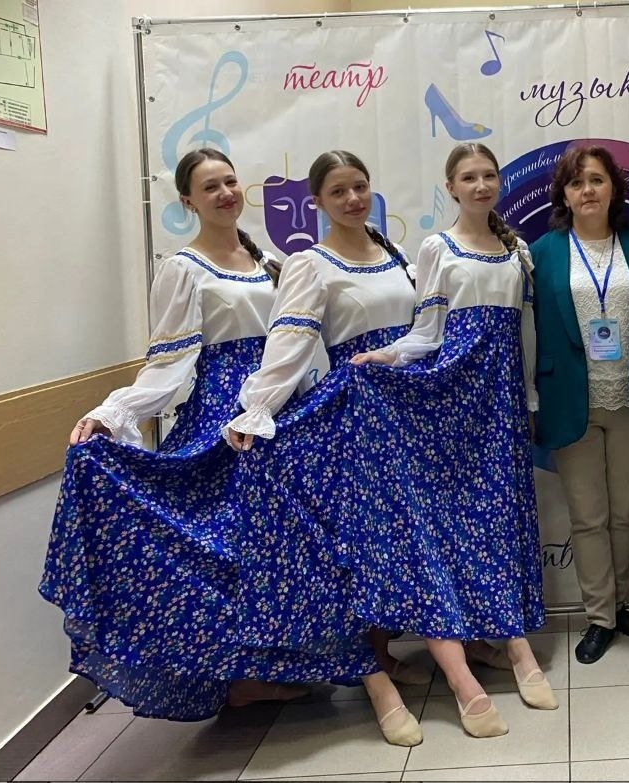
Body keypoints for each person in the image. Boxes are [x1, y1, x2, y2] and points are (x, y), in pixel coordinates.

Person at [40, 148, 351, 721]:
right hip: (224, 420)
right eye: (210, 187)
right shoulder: (183, 269)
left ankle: (279, 666)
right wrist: (114, 411)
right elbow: (168, 364)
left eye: (230, 182)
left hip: (278, 409)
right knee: (224, 548)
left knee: (283, 545)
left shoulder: (271, 261)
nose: (226, 193)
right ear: (187, 201)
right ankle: (239, 678)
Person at [353, 143, 556, 738]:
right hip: (453, 395)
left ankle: (514, 642)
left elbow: (526, 332)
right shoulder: (437, 247)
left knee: (501, 516)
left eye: (489, 175)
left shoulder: (517, 250)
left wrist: (530, 398)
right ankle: (493, 644)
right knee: (459, 517)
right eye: (469, 177)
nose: (482, 185)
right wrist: (389, 357)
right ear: (451, 187)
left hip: (501, 398)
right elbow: (428, 331)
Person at [223, 149, 425, 746]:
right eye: (338, 191)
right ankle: (372, 681)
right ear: (317, 202)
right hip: (354, 419)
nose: (353, 199)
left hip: (404, 413)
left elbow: (422, 330)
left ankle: (382, 654)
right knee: (357, 543)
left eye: (359, 186)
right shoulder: (309, 263)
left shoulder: (395, 253)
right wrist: (258, 408)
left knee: (392, 539)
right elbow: (289, 341)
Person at [529, 144, 629, 664]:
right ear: (563, 194)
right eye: (576, 182)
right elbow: (526, 330)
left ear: (614, 188)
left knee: (625, 514)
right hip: (571, 401)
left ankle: (622, 603)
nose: (587, 190)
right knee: (588, 517)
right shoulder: (541, 252)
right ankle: (599, 617)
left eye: (597, 180)